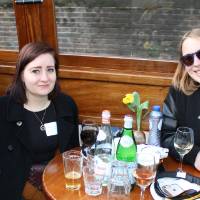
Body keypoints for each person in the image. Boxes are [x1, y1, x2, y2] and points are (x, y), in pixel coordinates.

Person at [0, 42, 79, 199]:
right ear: (22, 75)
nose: (45, 78)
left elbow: (73, 153)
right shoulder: (3, 109)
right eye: (35, 71)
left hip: (59, 189)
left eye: (50, 70)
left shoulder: (66, 105)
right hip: (15, 192)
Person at [161, 28, 200, 171]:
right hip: (190, 174)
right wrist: (195, 156)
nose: (195, 63)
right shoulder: (178, 90)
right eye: (188, 59)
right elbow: (167, 136)